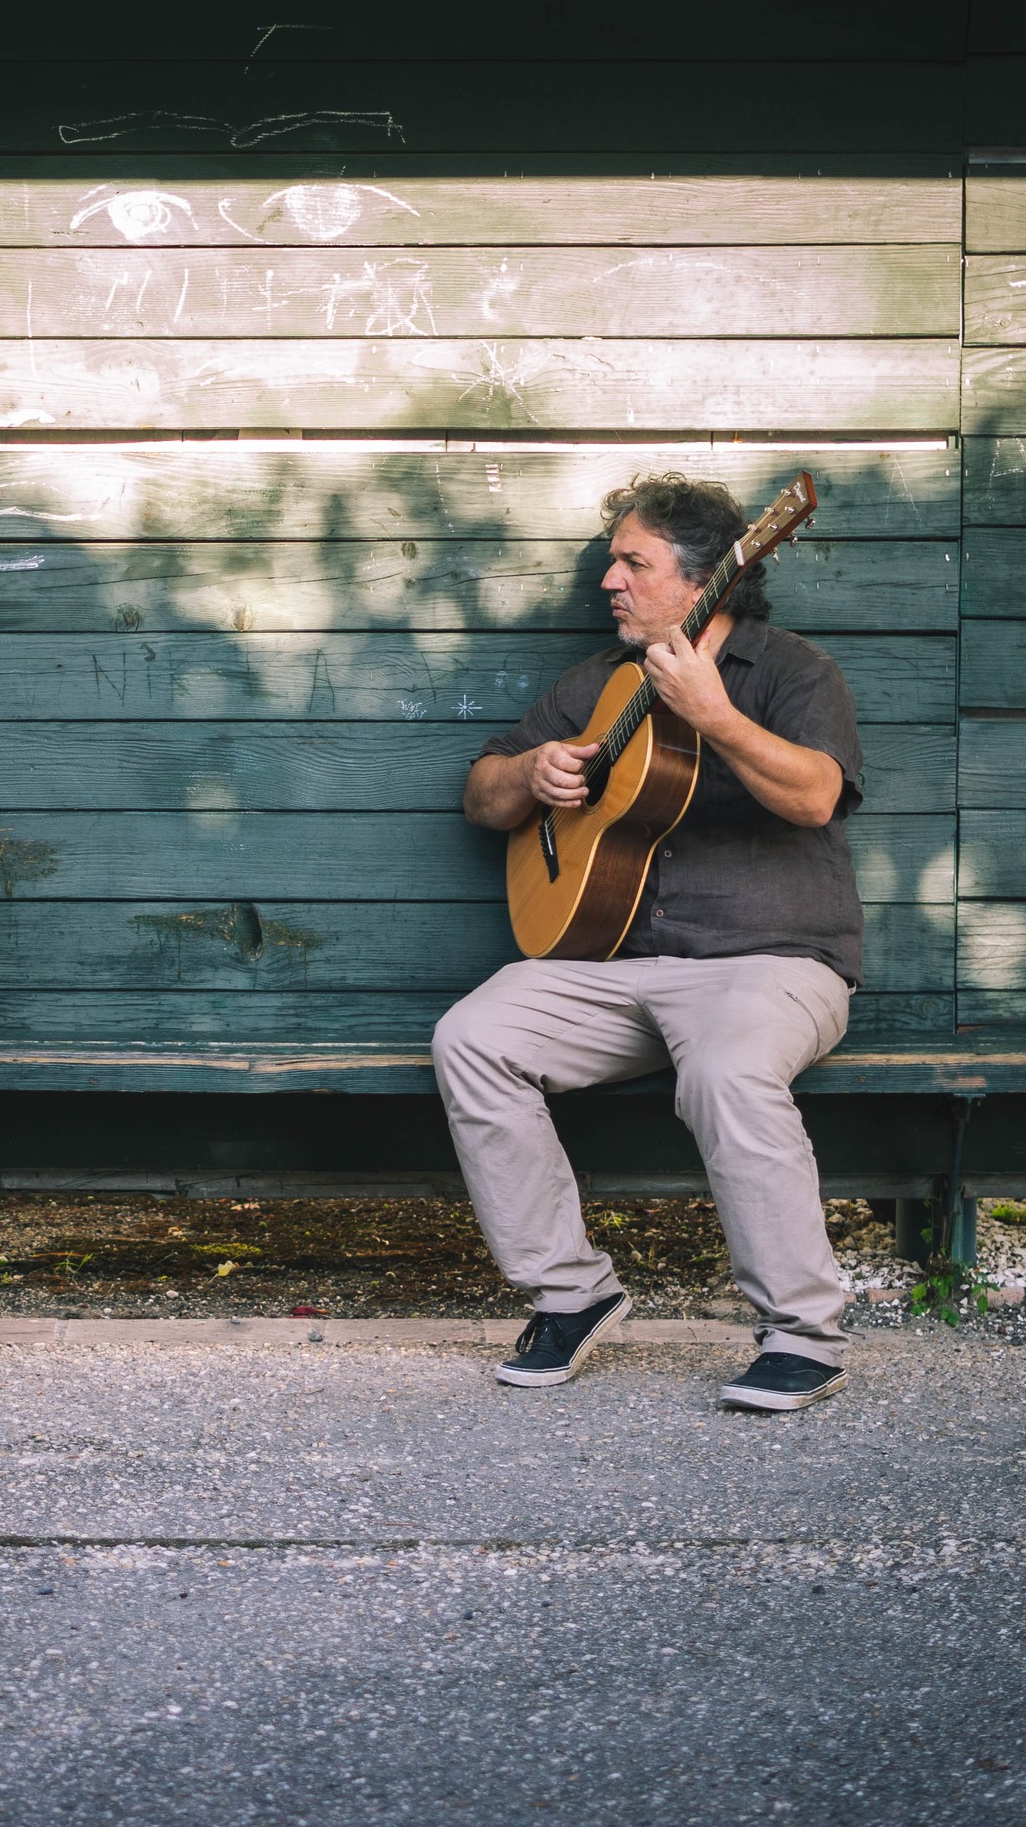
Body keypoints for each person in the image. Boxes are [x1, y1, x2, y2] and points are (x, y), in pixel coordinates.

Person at [431, 474, 863, 1412]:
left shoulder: (791, 673)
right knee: (474, 1038)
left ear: (707, 578)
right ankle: (571, 1293)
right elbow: (481, 797)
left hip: (774, 962)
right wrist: (528, 775)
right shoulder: (594, 685)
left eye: (633, 563)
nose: (609, 583)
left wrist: (715, 717)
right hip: (615, 966)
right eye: (610, 562)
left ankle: (803, 1333)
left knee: (725, 1072)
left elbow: (815, 797)